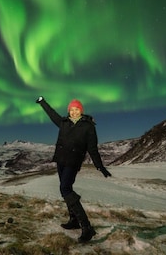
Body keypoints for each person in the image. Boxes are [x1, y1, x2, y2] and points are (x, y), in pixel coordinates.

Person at [35, 96, 111, 243]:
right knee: (65, 188)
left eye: (77, 109)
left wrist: (99, 166)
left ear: (81, 111)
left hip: (73, 162)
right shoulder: (63, 123)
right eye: (72, 109)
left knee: (65, 189)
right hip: (61, 160)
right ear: (69, 110)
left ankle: (87, 227)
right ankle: (74, 220)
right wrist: (42, 102)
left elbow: (92, 148)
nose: (74, 112)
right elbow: (52, 114)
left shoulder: (88, 126)